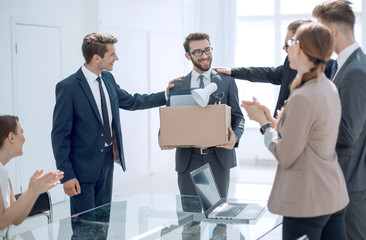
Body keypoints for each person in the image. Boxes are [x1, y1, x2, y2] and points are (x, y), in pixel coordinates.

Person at [241, 22, 349, 240]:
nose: (286, 49)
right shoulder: (327, 87)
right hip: (332, 193)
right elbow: (310, 135)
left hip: (307, 199)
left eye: (289, 43)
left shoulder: (303, 96)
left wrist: (263, 124)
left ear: (299, 48)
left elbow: (286, 155)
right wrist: (273, 120)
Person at [51, 32, 178, 215]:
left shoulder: (108, 79)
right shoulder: (68, 87)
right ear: (96, 58)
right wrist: (67, 176)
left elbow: (132, 101)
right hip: (81, 169)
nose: (116, 58)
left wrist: (165, 95)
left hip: (107, 162)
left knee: (103, 222)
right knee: (84, 227)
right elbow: (59, 136)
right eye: (112, 54)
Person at [161, 32, 245, 198]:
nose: (205, 56)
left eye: (208, 50)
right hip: (188, 159)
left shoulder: (227, 81)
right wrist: (162, 137)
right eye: (198, 52)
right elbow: (170, 119)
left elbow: (238, 117)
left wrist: (234, 137)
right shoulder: (177, 86)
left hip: (218, 159)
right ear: (188, 56)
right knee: (189, 217)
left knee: (219, 216)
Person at [313, 1, 366, 239]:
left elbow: (348, 134)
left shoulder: (356, 70)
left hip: (350, 185)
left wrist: (308, 123)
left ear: (331, 32)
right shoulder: (346, 64)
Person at [214, 19, 334, 115]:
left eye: (287, 43)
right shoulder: (290, 64)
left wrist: (263, 121)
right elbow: (269, 73)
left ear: (301, 45)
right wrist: (232, 71)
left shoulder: (330, 71)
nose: (283, 48)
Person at [0, 115, 63, 235]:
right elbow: (2, 222)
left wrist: (34, 192)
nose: (24, 138)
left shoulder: (5, 177)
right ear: (11, 137)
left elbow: (16, 219)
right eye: (21, 132)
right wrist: (30, 192)